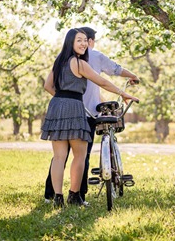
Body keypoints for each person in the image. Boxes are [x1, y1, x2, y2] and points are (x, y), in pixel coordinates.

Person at [43, 27, 139, 206]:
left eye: (85, 40)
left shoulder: (59, 61)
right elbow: (101, 81)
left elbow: (48, 86)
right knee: (80, 156)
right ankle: (73, 196)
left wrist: (62, 100)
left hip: (56, 106)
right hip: (75, 107)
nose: (83, 44)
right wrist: (124, 94)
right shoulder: (79, 63)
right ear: (70, 42)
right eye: (79, 40)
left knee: (59, 157)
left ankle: (57, 198)